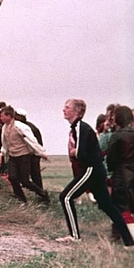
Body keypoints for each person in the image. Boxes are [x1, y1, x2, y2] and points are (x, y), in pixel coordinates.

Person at [56, 99, 134, 246]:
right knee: (108, 206)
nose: (63, 110)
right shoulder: (78, 127)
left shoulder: (80, 127)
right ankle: (129, 241)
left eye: (67, 107)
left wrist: (73, 152)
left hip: (91, 169)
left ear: (77, 112)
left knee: (65, 197)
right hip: (97, 170)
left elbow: (82, 153)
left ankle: (74, 236)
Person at [0, 106, 50, 203]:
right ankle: (21, 199)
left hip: (23, 156)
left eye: (2, 116)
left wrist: (41, 153)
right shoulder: (4, 127)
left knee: (25, 181)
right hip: (12, 156)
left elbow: (31, 140)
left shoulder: (20, 127)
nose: (1, 118)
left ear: (8, 116)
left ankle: (42, 193)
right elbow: (5, 143)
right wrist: (1, 154)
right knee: (12, 177)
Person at [106, 105, 134, 219]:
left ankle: (122, 234)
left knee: (121, 208)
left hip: (121, 176)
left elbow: (111, 159)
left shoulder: (116, 136)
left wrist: (112, 169)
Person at [15, 108, 45, 189]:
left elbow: (36, 142)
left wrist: (38, 152)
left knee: (34, 174)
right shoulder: (24, 126)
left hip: (33, 154)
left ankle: (40, 193)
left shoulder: (28, 128)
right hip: (28, 154)